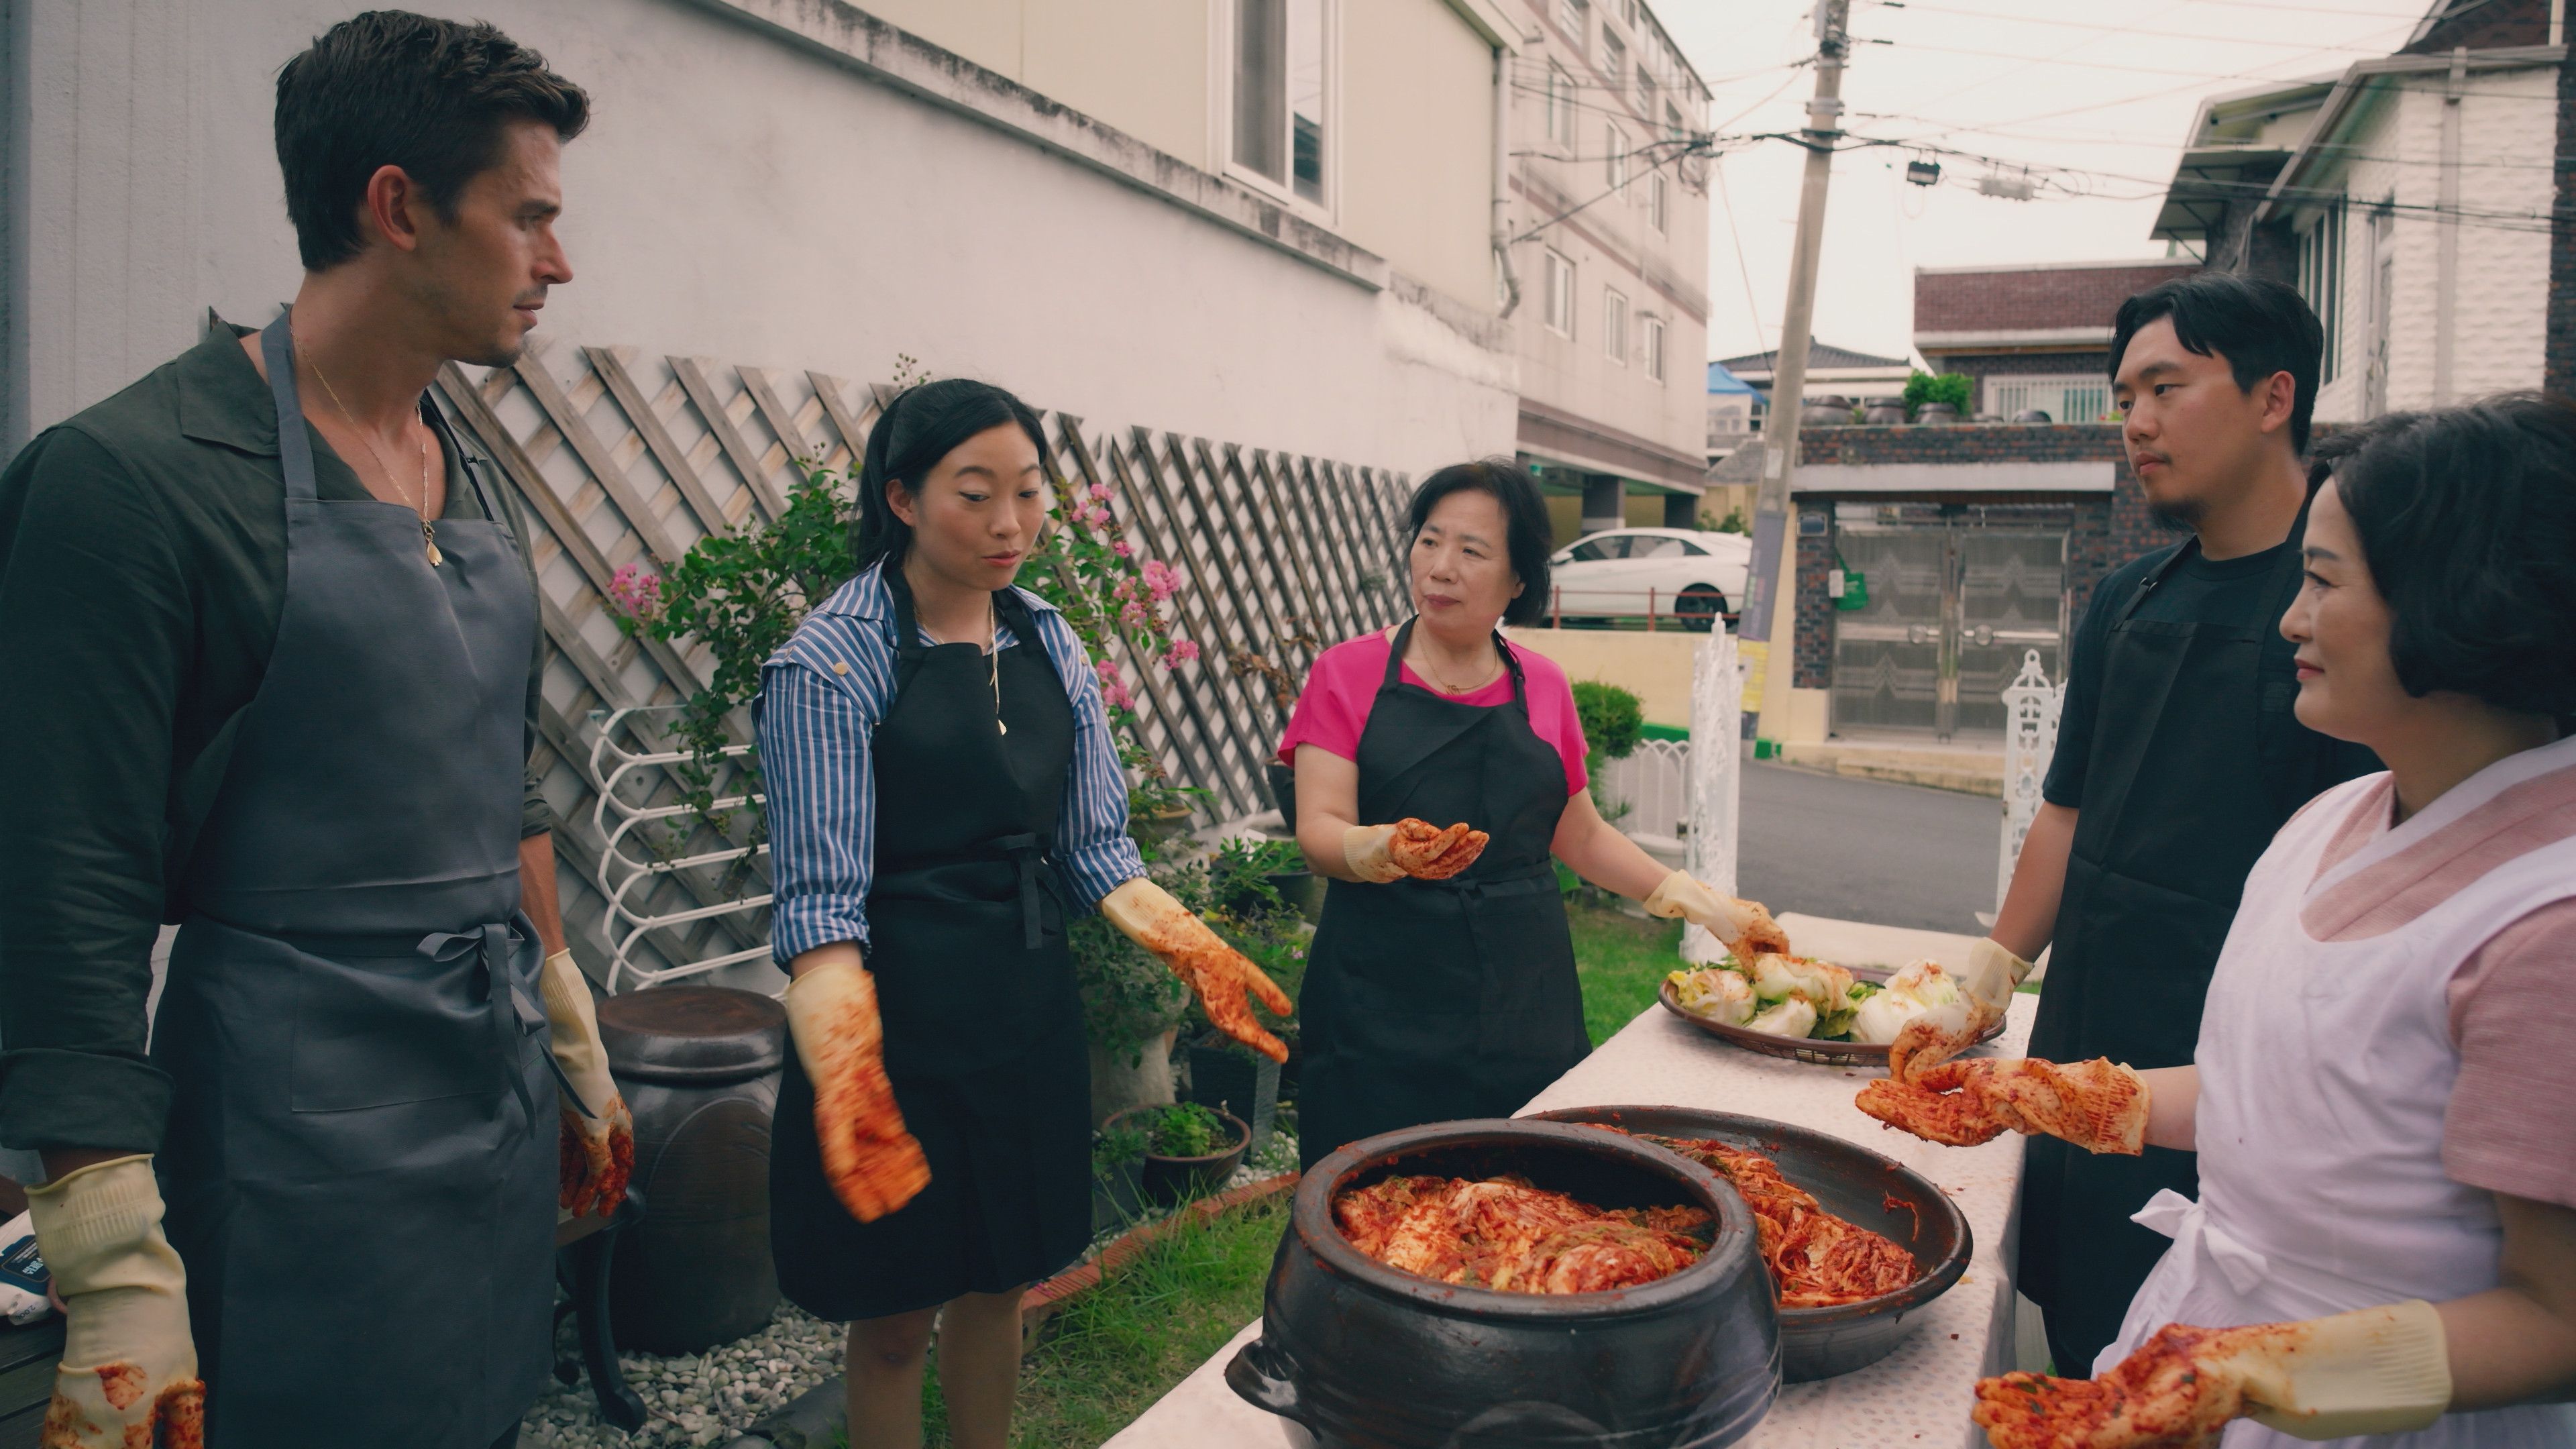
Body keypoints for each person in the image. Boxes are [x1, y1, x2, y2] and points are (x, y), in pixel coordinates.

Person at [0, 15, 627, 1449]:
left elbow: (501, 778)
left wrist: (568, 1021)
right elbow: (62, 888)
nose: (559, 261)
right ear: (398, 207)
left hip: (492, 1096)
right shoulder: (129, 481)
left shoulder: (469, 470)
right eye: (530, 216)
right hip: (291, 1136)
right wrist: (110, 1266)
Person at [1863, 394, 2576, 1447]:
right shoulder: (2335, 818)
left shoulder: (2545, 925)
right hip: (2218, 1335)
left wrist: (2253, 1369)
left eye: (2324, 582)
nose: (2290, 619)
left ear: (2468, 603)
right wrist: (2033, 1094)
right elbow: (2272, 1099)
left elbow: (2555, 1320)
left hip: (2380, 1411)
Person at [757, 378, 1291, 1449]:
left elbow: (1097, 850)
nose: (1011, 524)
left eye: (1030, 492)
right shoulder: (830, 660)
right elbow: (822, 905)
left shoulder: (1051, 643)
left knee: (1002, 1283)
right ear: (902, 500)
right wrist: (851, 1080)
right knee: (898, 1313)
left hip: (1023, 1007)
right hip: (891, 1020)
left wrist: (1196, 948)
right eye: (975, 494)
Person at [1978, 272, 2382, 1372]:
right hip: (2090, 1029)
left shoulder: (2364, 610)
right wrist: (1994, 968)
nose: (2137, 424)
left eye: (2167, 386)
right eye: (2123, 398)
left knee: (2205, 1373)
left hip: (2249, 1071)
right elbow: (2068, 807)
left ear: (2272, 397)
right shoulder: (2129, 598)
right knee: (2076, 1336)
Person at [1281, 459, 1792, 1171]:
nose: (1441, 567)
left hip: (1522, 994)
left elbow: (1578, 833)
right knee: (1370, 1197)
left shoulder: (1543, 686)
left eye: (1472, 550)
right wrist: (1379, 848)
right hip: (1379, 993)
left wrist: (1694, 899)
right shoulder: (1348, 672)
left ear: (1519, 581)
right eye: (1430, 541)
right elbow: (1319, 827)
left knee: (1530, 1192)